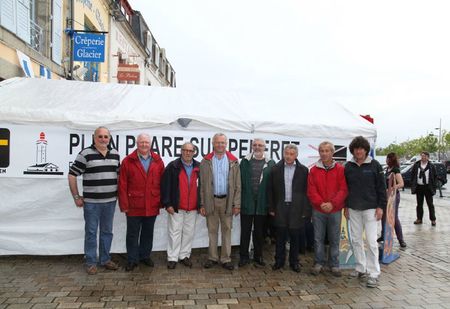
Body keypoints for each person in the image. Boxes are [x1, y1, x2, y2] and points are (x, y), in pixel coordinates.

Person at [68, 126, 120, 275]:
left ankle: (105, 259)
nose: (103, 139)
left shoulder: (115, 154)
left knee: (107, 232)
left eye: (106, 136)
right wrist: (76, 196)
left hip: (110, 201)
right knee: (91, 232)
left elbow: (119, 176)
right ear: (94, 137)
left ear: (109, 138)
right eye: (100, 136)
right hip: (91, 203)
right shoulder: (85, 154)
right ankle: (91, 262)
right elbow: (72, 175)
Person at [118, 133, 164, 271]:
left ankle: (145, 256)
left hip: (152, 203)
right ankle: (132, 259)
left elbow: (162, 183)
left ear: (150, 144)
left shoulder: (158, 161)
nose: (144, 145)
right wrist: (124, 205)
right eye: (141, 142)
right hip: (133, 205)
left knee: (147, 232)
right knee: (132, 234)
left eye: (146, 142)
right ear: (137, 143)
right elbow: (122, 185)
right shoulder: (128, 161)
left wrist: (161, 202)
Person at [344, 136, 386, 288]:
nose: (359, 151)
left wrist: (381, 206)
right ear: (353, 150)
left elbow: (382, 188)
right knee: (355, 240)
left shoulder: (375, 165)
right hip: (353, 208)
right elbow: (345, 189)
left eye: (361, 148)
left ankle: (374, 273)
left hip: (371, 209)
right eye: (356, 148)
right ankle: (360, 267)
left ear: (366, 150)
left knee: (371, 241)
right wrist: (346, 207)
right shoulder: (348, 166)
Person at [200, 133, 241, 270]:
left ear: (226, 144)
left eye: (222, 143)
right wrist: (202, 204)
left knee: (227, 230)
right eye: (217, 142)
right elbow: (202, 185)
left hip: (227, 202)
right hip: (211, 201)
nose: (220, 145)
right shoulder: (205, 162)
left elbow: (238, 186)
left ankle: (225, 258)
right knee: (212, 230)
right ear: (213, 143)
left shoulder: (233, 162)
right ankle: (212, 257)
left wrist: (237, 204)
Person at [268, 144, 311, 273]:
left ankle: (294, 262)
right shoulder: (275, 169)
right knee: (280, 236)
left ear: (296, 155)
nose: (288, 156)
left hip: (296, 208)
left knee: (295, 236)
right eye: (286, 153)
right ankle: (279, 261)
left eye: (291, 154)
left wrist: (305, 210)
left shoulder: (303, 170)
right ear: (283, 154)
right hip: (280, 207)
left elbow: (306, 191)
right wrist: (271, 207)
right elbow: (270, 190)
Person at [307, 141, 348, 277]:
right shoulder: (313, 170)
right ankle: (319, 262)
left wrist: (332, 203)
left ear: (332, 152)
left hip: (335, 210)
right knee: (318, 238)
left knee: (334, 238)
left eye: (327, 151)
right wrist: (320, 203)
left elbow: (343, 189)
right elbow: (311, 190)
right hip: (318, 210)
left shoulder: (340, 169)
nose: (324, 153)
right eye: (322, 151)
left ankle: (334, 264)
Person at [161, 142, 200, 269]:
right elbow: (165, 186)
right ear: (181, 151)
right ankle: (172, 257)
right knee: (174, 233)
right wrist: (167, 204)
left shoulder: (199, 167)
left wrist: (201, 204)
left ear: (194, 152)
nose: (187, 153)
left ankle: (184, 255)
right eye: (185, 150)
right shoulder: (173, 166)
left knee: (189, 233)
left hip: (193, 207)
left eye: (190, 150)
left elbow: (203, 187)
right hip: (176, 206)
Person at [239, 138, 275, 267]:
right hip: (247, 202)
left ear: (265, 147)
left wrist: (271, 205)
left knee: (260, 232)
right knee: (245, 231)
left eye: (260, 145)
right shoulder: (244, 162)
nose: (257, 147)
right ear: (251, 146)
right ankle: (243, 256)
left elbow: (273, 186)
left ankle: (258, 256)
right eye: (255, 145)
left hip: (262, 204)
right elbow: (239, 183)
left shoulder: (271, 163)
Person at [378, 152, 406, 248]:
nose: (386, 160)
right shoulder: (387, 169)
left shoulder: (395, 170)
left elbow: (401, 183)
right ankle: (383, 235)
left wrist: (391, 188)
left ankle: (400, 239)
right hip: (386, 196)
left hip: (394, 197)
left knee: (394, 217)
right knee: (384, 216)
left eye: (388, 159)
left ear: (391, 160)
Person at [411, 151, 437, 226]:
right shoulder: (416, 165)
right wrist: (413, 184)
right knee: (419, 204)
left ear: (428, 157)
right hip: (419, 187)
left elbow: (435, 176)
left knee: (430, 204)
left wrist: (433, 186)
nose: (423, 157)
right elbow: (413, 175)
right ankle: (419, 219)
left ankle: (433, 219)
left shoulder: (431, 166)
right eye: (422, 156)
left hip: (428, 187)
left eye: (425, 156)